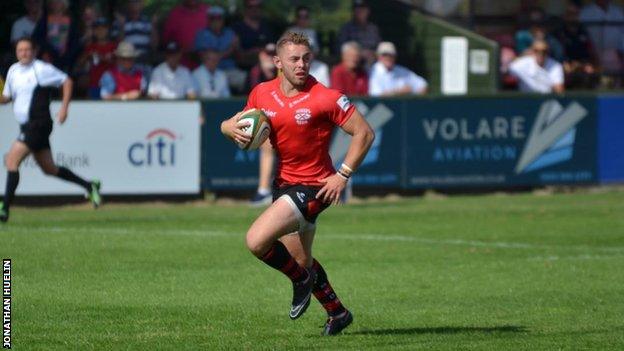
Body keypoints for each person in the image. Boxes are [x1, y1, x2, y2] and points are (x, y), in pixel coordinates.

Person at [220, 32, 375, 335]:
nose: (301, 64)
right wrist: (225, 126)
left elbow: (365, 133)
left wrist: (342, 174)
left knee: (256, 240)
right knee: (301, 259)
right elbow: (234, 123)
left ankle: (300, 281)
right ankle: (338, 312)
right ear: (278, 62)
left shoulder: (326, 97)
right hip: (285, 185)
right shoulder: (261, 93)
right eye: (294, 59)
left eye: (306, 58)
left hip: (317, 187)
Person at [0, 38, 102, 223]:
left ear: (34, 51)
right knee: (50, 168)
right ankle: (90, 185)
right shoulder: (13, 71)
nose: (24, 53)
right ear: (16, 52)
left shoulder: (41, 69)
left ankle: (4, 208)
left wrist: (64, 108)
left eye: (27, 49)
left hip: (38, 123)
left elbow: (67, 81)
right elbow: (6, 98)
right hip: (27, 125)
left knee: (12, 160)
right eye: (20, 50)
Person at [579, 0, 624, 81]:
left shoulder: (618, 12)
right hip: (593, 58)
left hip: (616, 59)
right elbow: (582, 37)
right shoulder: (585, 13)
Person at [31, 0, 81, 73]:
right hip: (47, 59)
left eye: (58, 2)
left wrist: (68, 56)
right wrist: (46, 51)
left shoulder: (72, 20)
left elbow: (75, 41)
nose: (55, 4)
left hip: (66, 60)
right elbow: (37, 38)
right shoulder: (44, 20)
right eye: (53, 2)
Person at [75, 17, 117, 99]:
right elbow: (79, 64)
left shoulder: (114, 46)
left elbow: (119, 64)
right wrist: (87, 55)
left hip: (111, 84)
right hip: (94, 82)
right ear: (94, 31)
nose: (100, 31)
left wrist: (104, 58)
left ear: (108, 30)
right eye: (97, 29)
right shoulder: (90, 46)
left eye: (103, 28)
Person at [162, 0, 209, 68]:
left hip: (205, 65)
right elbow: (166, 41)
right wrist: (183, 50)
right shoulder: (175, 14)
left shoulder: (208, 11)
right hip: (180, 66)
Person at [336, 0, 381, 68]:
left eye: (363, 9)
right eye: (357, 9)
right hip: (354, 64)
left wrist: (373, 54)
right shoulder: (346, 29)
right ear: (353, 11)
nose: (360, 11)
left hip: (372, 63)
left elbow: (379, 48)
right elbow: (340, 49)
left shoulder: (373, 28)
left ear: (368, 11)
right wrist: (360, 53)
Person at [232, 0, 275, 70]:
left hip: (267, 68)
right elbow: (237, 54)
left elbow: (274, 48)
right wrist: (257, 52)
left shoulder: (268, 27)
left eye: (258, 6)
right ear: (245, 8)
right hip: (242, 69)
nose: (255, 9)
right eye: (251, 6)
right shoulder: (237, 28)